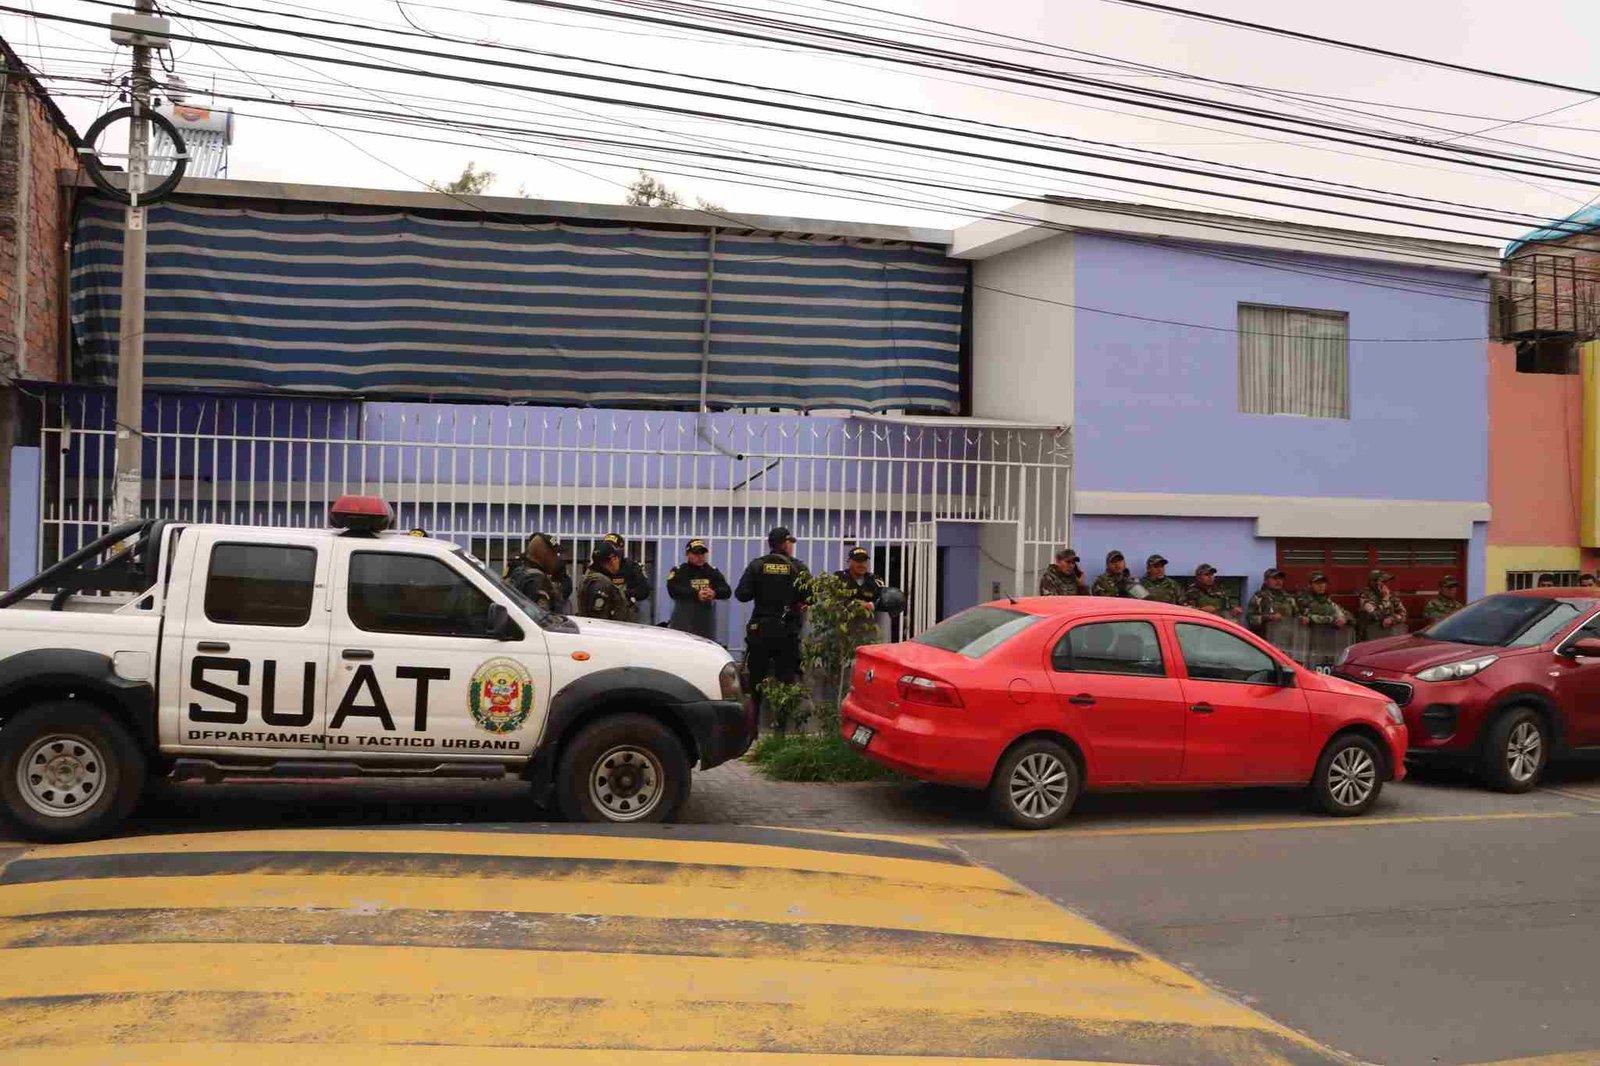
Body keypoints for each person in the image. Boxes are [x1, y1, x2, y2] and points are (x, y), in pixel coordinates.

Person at [735, 526, 811, 711]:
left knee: (757, 679)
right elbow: (811, 597)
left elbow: (742, 594)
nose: (791, 546)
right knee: (785, 680)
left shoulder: (757, 565)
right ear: (784, 544)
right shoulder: (798, 567)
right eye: (790, 542)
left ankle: (754, 722)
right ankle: (781, 724)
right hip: (787, 630)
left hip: (761, 630)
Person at [666, 538, 732, 639]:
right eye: (696, 553)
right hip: (683, 622)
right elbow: (673, 590)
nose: (700, 556)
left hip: (706, 623)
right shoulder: (679, 571)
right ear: (688, 554)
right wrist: (696, 594)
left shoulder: (712, 571)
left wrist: (714, 593)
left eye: (702, 553)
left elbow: (727, 591)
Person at [505, 532, 569, 613]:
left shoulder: (518, 572)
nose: (556, 559)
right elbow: (543, 616)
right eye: (554, 554)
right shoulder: (540, 581)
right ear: (544, 555)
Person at [1298, 570, 1350, 669]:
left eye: (1323, 583)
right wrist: (1332, 619)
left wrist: (1344, 619)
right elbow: (1305, 616)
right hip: (1309, 644)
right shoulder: (1303, 599)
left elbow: (1344, 614)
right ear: (1310, 585)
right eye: (1317, 583)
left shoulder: (1328, 601)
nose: (1321, 586)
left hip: (1327, 643)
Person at [602, 532, 651, 624]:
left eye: (612, 548)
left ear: (621, 549)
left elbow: (644, 590)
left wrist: (625, 594)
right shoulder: (599, 567)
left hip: (626, 611)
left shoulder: (631, 567)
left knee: (644, 605)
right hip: (604, 611)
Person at [577, 542, 632, 621]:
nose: (618, 561)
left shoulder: (593, 577)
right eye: (617, 558)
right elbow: (597, 619)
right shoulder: (601, 583)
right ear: (613, 560)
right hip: (606, 628)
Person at [1358, 569, 1409, 639]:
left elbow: (1403, 613)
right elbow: (1375, 615)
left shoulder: (1391, 595)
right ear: (1373, 583)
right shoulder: (1365, 596)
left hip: (1391, 634)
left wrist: (1392, 619)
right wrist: (1385, 599)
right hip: (1373, 635)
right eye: (1383, 582)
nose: (1386, 585)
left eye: (1387, 582)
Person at [1247, 567, 1297, 635]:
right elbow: (1250, 619)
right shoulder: (1259, 598)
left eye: (1280, 578)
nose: (1278, 581)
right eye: (1274, 578)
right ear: (1266, 581)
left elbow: (1296, 616)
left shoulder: (1289, 598)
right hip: (1265, 636)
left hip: (1286, 635)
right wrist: (1268, 618)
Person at [835, 546, 884, 612]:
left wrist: (872, 605)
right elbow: (833, 599)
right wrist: (858, 605)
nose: (862, 564)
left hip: (871, 617)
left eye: (864, 561)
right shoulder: (839, 577)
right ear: (849, 562)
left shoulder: (875, 579)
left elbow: (883, 599)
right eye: (858, 561)